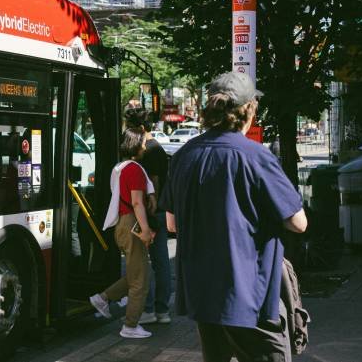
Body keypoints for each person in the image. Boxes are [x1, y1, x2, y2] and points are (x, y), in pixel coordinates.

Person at [160, 71, 308, 362]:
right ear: (248, 110)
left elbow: (171, 223)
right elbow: (298, 222)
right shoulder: (255, 156)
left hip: (203, 295)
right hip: (250, 293)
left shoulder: (183, 155)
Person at [89, 127, 155, 339]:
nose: (145, 146)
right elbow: (137, 202)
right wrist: (145, 229)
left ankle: (102, 298)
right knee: (141, 280)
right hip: (132, 224)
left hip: (121, 225)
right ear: (136, 145)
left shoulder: (118, 168)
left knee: (136, 274)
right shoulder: (134, 169)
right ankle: (130, 325)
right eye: (143, 143)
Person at [125, 108, 172, 325]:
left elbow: (154, 184)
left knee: (148, 262)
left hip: (151, 213)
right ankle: (162, 310)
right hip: (159, 212)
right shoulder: (157, 150)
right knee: (161, 261)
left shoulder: (150, 152)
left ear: (141, 129)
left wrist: (146, 217)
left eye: (131, 128)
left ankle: (150, 307)